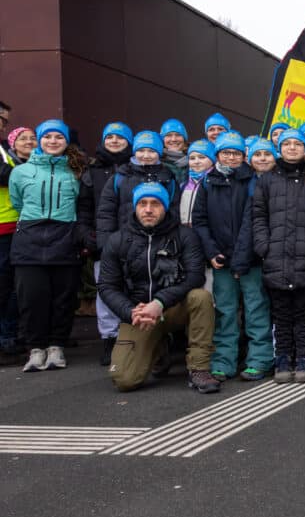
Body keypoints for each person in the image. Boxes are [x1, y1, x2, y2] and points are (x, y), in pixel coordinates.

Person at [100, 182, 219, 393]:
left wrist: (160, 302)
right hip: (139, 314)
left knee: (201, 297)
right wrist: (130, 311)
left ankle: (199, 368)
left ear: (165, 207)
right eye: (143, 204)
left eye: (155, 204)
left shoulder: (184, 235)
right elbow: (107, 286)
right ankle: (158, 348)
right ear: (134, 207)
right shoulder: (117, 240)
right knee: (124, 380)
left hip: (173, 307)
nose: (148, 209)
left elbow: (195, 276)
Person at [252, 129, 305, 384]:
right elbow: (258, 216)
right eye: (286, 144)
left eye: (296, 144)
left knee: (303, 314)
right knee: (281, 315)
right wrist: (264, 246)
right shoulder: (267, 180)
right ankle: (282, 360)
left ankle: (302, 360)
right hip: (276, 257)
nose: (291, 148)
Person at [8, 120, 89, 372]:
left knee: (63, 298)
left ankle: (56, 346)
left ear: (67, 142)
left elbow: (81, 205)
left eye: (58, 137)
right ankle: (35, 348)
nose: (53, 141)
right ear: (40, 141)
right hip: (29, 237)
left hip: (64, 235)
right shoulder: (20, 172)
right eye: (47, 137)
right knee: (32, 297)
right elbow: (17, 202)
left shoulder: (76, 170)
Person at [193, 131, 273, 382]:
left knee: (255, 309)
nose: (231, 157)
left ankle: (260, 359)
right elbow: (200, 220)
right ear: (217, 155)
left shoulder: (253, 181)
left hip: (250, 261)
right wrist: (211, 252)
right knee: (225, 312)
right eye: (226, 152)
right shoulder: (207, 182)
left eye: (236, 153)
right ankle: (224, 361)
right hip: (221, 261)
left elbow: (252, 222)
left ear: (243, 156)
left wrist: (240, 260)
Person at [79, 121, 134, 365]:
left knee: (133, 288)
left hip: (133, 241)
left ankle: (132, 336)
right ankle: (109, 338)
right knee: (106, 291)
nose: (114, 141)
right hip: (103, 242)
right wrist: (90, 237)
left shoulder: (135, 169)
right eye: (109, 137)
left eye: (119, 137)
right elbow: (84, 208)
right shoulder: (91, 172)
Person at [96, 130, 180, 252]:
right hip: (124, 243)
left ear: (159, 153)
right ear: (134, 152)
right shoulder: (120, 177)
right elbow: (106, 213)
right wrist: (106, 244)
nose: (145, 155)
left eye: (151, 151)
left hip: (158, 244)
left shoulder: (168, 178)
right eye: (141, 151)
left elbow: (174, 212)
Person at [0, 126, 35, 362]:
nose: (29, 142)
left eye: (33, 138)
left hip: (24, 227)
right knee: (6, 286)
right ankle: (6, 339)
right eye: (23, 138)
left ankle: (14, 336)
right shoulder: (8, 160)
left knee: (18, 286)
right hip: (4, 226)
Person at [180, 140, 215, 226]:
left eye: (202, 157)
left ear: (213, 159)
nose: (196, 161)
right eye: (192, 158)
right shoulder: (183, 184)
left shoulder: (214, 183)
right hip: (185, 233)